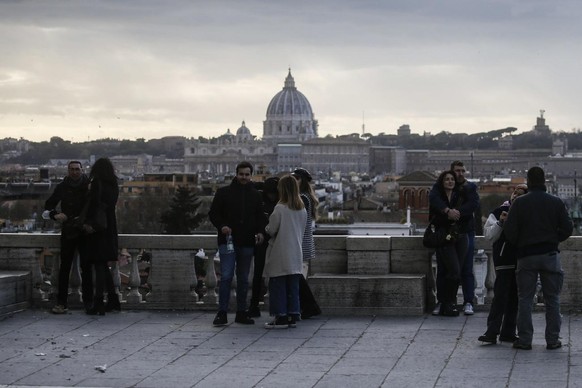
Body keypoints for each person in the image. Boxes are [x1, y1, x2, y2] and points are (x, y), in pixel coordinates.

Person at [504, 167, 573, 350]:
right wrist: (552, 239)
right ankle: (552, 340)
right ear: (544, 181)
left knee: (525, 299)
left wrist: (522, 242)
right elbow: (567, 229)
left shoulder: (519, 203)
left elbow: (509, 231)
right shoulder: (556, 202)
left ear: (529, 180)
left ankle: (525, 340)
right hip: (550, 255)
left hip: (526, 256)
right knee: (552, 299)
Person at [208, 161, 266, 326]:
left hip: (247, 242)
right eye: (241, 174)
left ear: (251, 175)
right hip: (228, 241)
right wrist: (222, 226)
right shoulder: (223, 192)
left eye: (247, 174)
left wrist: (261, 232)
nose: (244, 177)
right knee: (226, 277)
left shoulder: (255, 195)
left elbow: (260, 217)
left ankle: (241, 312)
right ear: (236, 174)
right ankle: (222, 312)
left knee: (243, 279)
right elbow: (213, 214)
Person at [478, 184, 527, 344]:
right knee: (500, 297)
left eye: (520, 194)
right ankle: (492, 331)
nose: (515, 196)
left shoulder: (527, 213)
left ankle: (508, 332)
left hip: (521, 261)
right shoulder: (499, 211)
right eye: (515, 192)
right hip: (504, 260)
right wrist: (500, 222)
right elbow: (489, 236)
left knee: (514, 299)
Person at [430, 161, 480, 315]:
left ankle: (468, 301)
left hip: (465, 232)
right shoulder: (439, 188)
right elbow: (434, 199)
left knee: (466, 268)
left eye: (463, 171)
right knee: (445, 269)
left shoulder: (470, 187)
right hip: (445, 233)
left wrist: (455, 213)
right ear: (450, 173)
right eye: (457, 171)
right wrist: (447, 211)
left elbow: (473, 205)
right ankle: (443, 301)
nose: (460, 174)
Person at [44, 160, 92, 314]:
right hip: (70, 231)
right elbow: (49, 205)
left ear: (82, 170)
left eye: (77, 169)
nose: (74, 172)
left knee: (85, 268)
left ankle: (86, 301)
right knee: (65, 268)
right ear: (68, 171)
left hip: (83, 231)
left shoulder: (88, 186)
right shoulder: (63, 187)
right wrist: (56, 214)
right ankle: (64, 302)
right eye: (72, 169)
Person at [263, 175, 307, 329]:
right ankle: (293, 314)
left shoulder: (280, 208)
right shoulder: (301, 209)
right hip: (296, 251)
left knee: (278, 285)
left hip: (280, 251)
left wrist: (266, 225)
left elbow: (272, 229)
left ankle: (280, 317)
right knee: (292, 287)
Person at [83, 157, 120, 315]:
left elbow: (94, 206)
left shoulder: (97, 183)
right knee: (103, 265)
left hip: (98, 227)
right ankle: (113, 300)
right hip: (109, 226)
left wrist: (89, 223)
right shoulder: (114, 185)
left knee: (99, 264)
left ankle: (98, 302)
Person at [292, 167, 322, 318]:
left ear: (301, 181)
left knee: (298, 279)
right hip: (304, 241)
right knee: (298, 278)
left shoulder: (302, 198)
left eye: (295, 178)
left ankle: (310, 307)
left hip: (300, 242)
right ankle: (307, 307)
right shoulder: (307, 196)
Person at [249, 176, 280, 318]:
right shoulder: (276, 202)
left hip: (272, 242)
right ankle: (255, 304)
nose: (272, 196)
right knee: (258, 275)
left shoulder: (265, 201)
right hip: (264, 242)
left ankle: (257, 304)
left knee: (272, 276)